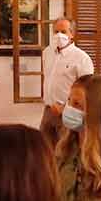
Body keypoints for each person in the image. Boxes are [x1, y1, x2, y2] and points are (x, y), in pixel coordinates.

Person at [40, 17, 94, 146]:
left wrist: (66, 108)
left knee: (66, 152)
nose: (59, 35)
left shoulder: (82, 58)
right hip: (48, 111)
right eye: (56, 31)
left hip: (69, 113)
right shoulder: (47, 53)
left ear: (72, 34)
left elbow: (88, 90)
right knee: (43, 152)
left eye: (63, 32)